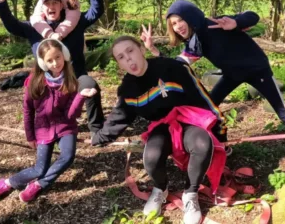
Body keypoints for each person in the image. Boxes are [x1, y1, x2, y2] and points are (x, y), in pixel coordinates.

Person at [141, 0, 285, 158]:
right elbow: (177, 66)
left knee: (284, 113)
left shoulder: (216, 23)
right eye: (173, 23)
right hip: (232, 75)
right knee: (209, 108)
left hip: (257, 71)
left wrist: (236, 22)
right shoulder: (195, 43)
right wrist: (153, 50)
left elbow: (253, 16)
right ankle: (224, 146)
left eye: (180, 19)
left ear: (190, 16)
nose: (178, 26)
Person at [91, 35, 227, 224]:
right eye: (121, 57)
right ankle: (160, 189)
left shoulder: (173, 68)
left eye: (130, 51)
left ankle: (190, 194)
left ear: (142, 49)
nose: (128, 59)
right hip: (161, 127)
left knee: (202, 144)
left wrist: (221, 131)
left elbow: (203, 98)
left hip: (188, 121)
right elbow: (118, 118)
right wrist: (96, 138)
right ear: (119, 64)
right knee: (151, 158)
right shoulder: (127, 89)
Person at [0, 0, 105, 134]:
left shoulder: (75, 23)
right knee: (33, 88)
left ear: (61, 5)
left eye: (55, 3)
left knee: (90, 85)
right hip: (48, 81)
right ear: (42, 8)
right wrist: (2, 4)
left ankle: (97, 129)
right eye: (47, 4)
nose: (51, 7)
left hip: (74, 76)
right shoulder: (34, 28)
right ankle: (43, 127)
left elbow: (96, 11)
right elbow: (12, 25)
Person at [0, 39, 97, 203]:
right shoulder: (35, 82)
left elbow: (71, 115)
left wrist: (81, 96)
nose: (55, 63)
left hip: (65, 127)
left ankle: (39, 185)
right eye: (50, 60)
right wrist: (30, 136)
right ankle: (7, 183)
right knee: (39, 169)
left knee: (67, 156)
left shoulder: (71, 81)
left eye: (58, 57)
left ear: (64, 56)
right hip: (43, 129)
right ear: (43, 62)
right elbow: (28, 110)